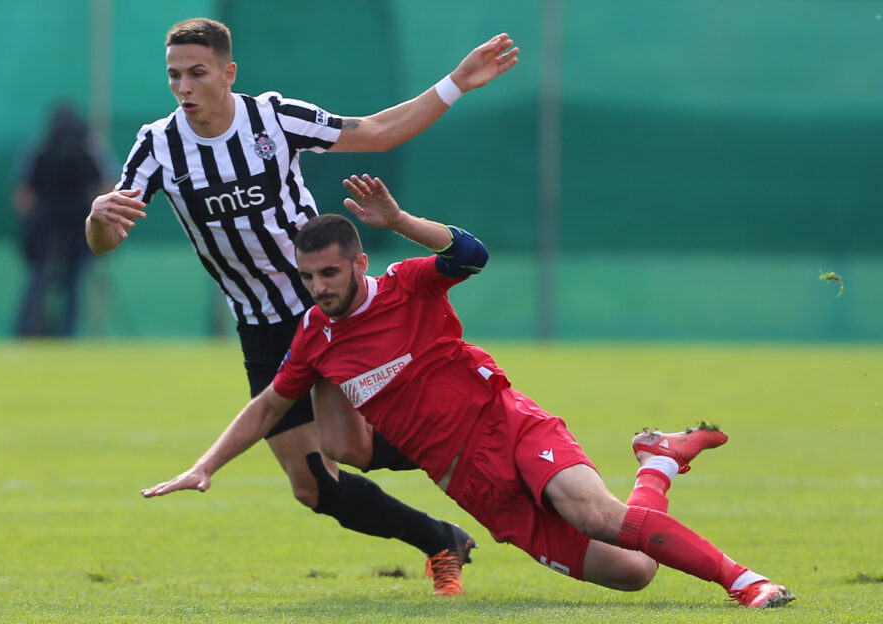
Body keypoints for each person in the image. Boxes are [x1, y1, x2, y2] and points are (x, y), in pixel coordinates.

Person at [143, 174, 796, 609]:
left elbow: (473, 254)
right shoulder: (315, 336)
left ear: (358, 263)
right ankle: (657, 461)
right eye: (309, 276)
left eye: (329, 273)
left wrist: (398, 218)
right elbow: (268, 410)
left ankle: (745, 583)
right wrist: (204, 467)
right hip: (467, 482)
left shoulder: (405, 282)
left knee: (595, 513)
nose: (318, 287)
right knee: (634, 573)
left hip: (506, 424)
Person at [87, 18, 519, 595]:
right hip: (260, 328)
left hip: (324, 309)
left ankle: (501, 451)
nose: (184, 87)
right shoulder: (158, 144)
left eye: (197, 73)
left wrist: (457, 82)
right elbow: (109, 239)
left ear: (227, 72)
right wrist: (97, 220)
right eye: (174, 76)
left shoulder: (271, 118)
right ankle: (441, 537)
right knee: (313, 488)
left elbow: (379, 131)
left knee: (355, 447)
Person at [13, 103, 105, 337]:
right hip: (74, 227)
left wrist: (32, 220)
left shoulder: (40, 150)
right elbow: (106, 187)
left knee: (41, 281)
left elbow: (23, 195)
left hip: (56, 226)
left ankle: (27, 333)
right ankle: (64, 334)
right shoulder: (88, 150)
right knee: (69, 284)